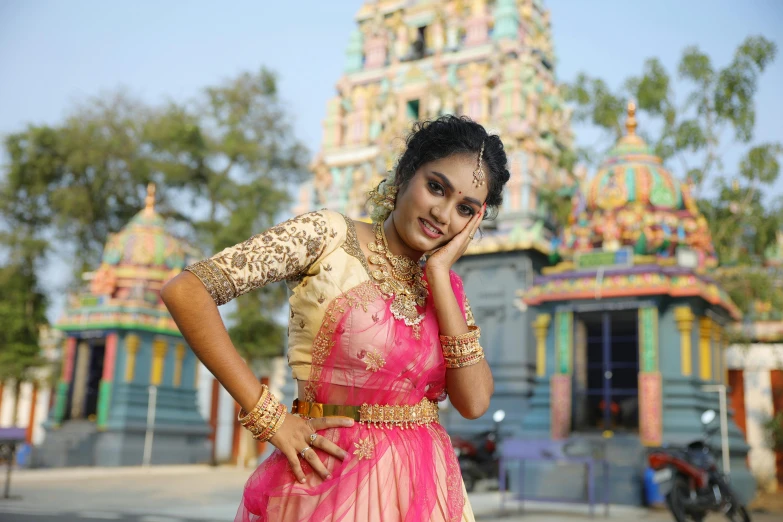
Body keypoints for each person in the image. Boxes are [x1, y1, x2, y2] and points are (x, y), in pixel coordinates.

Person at [161, 115, 511, 521]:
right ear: (405, 173)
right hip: (327, 480)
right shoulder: (327, 236)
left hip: (425, 489)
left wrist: (437, 274)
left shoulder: (447, 288)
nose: (443, 214)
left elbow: (473, 402)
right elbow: (186, 291)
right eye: (436, 187)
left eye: (464, 208)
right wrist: (269, 417)